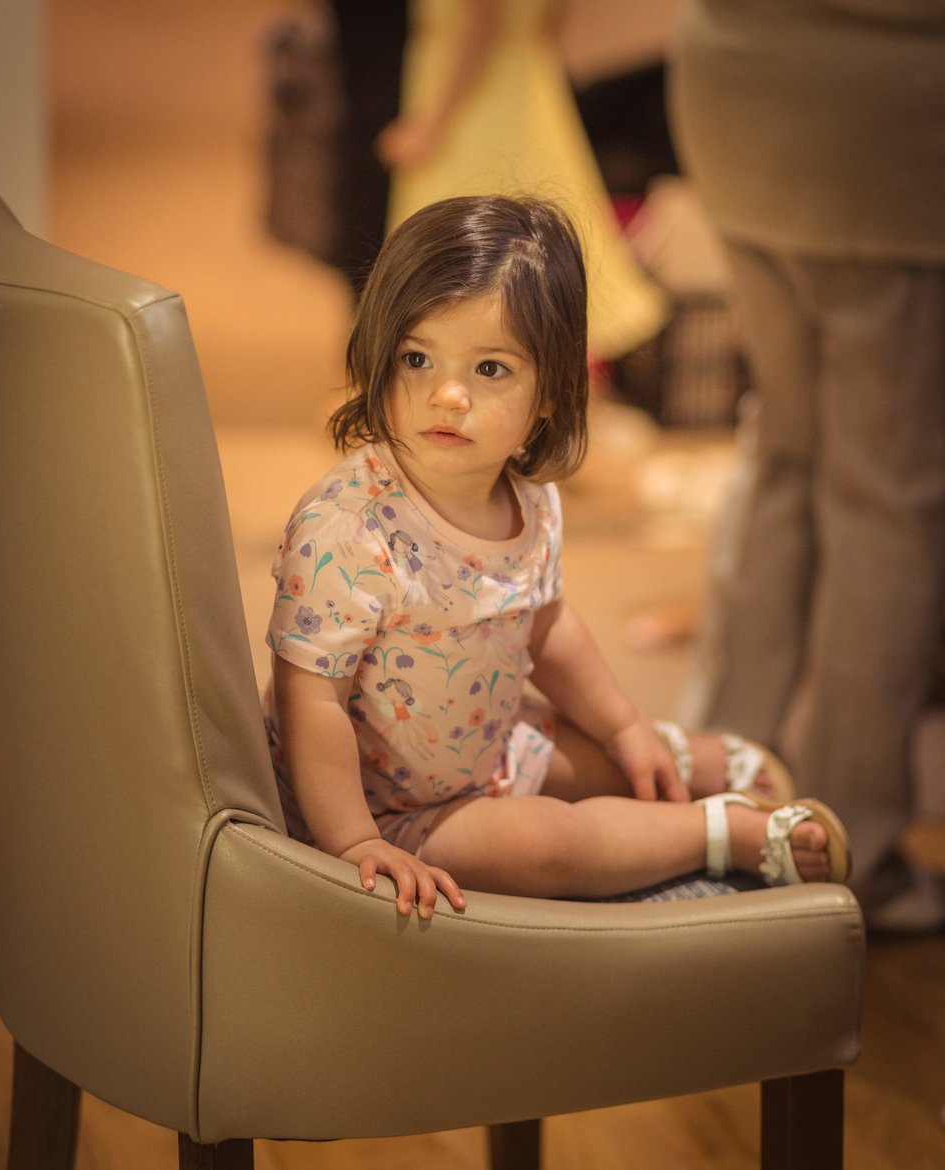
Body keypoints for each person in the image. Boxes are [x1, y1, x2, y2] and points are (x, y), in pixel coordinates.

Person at [263, 195, 850, 917]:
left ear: (549, 394)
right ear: (378, 355)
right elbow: (308, 697)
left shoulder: (531, 499)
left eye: (491, 370)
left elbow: (547, 625)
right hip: (387, 812)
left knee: (621, 758)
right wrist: (352, 841)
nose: (448, 395)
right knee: (544, 843)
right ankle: (716, 833)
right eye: (418, 358)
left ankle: (680, 763)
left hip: (495, 744)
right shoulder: (345, 529)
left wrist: (624, 728)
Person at [670, 0, 945, 930]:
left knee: (786, 452)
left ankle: (718, 805)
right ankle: (850, 847)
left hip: (738, 86)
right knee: (886, 495)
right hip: (880, 121)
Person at [375, 0, 665, 363]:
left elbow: (479, 23)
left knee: (451, 245)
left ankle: (438, 372)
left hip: (474, 99)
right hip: (529, 84)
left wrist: (431, 124)